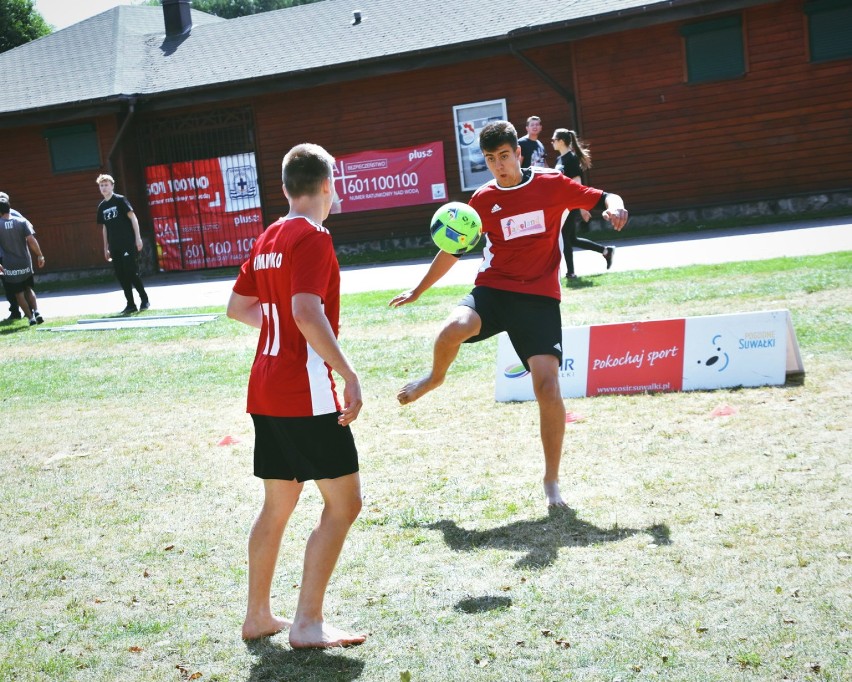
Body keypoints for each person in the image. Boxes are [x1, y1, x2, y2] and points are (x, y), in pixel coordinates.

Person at [389, 121, 628, 507]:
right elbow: (453, 249)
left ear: (518, 154)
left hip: (538, 299)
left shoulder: (552, 185)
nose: (499, 165)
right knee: (453, 328)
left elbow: (603, 198)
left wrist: (615, 207)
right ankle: (435, 377)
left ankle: (551, 482)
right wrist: (418, 289)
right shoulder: (481, 201)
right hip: (494, 291)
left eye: (504, 156)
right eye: (490, 159)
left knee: (547, 388)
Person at [226, 143, 367, 649]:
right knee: (344, 504)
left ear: (286, 188)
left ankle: (258, 616)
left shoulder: (268, 236)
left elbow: (238, 306)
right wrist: (347, 371)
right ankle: (307, 623)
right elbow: (307, 311)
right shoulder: (314, 237)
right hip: (303, 394)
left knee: (277, 505)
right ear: (329, 185)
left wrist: (281, 327)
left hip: (265, 389)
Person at [551, 128, 615, 279]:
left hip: (570, 204)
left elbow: (577, 185)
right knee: (571, 239)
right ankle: (606, 251)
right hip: (562, 205)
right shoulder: (559, 159)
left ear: (561, 141)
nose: (552, 142)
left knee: (564, 237)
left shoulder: (571, 159)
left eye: (553, 140)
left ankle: (570, 273)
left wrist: (582, 207)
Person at [95, 174, 150, 315]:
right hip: (114, 246)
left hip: (127, 243)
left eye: (106, 185)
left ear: (112, 186)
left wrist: (138, 238)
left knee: (130, 271)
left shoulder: (120, 200)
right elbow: (105, 227)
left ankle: (144, 299)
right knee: (121, 274)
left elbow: (133, 217)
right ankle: (130, 304)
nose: (104, 188)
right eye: (101, 185)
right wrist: (105, 247)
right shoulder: (102, 206)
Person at [0, 198, 46, 325]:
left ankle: (30, 318)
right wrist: (40, 255)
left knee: (18, 293)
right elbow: (31, 240)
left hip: (9, 264)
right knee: (28, 288)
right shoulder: (21, 221)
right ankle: (37, 311)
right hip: (25, 262)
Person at [0, 191, 29, 321]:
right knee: (9, 286)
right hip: (4, 257)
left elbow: (29, 229)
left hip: (16, 255)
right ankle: (15, 311)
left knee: (22, 285)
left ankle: (28, 311)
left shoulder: (15, 214)